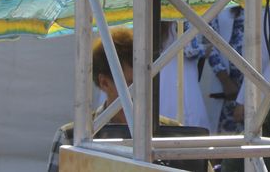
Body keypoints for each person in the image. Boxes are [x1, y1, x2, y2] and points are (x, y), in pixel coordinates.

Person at [46, 27, 183, 172]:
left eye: (146, 80)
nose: (142, 90)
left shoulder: (175, 135)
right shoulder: (71, 138)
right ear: (104, 83)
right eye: (131, 83)